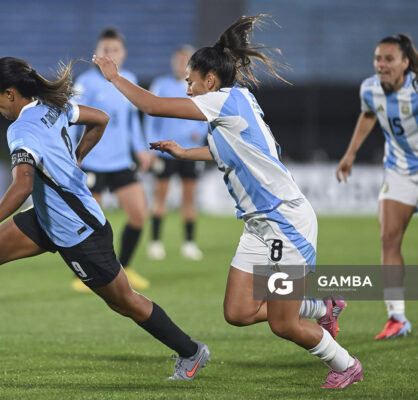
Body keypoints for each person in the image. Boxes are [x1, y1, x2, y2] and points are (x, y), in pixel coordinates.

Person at [93, 15, 362, 389]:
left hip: (285, 223)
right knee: (237, 312)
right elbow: (233, 151)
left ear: (210, 80)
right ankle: (322, 307)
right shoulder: (235, 104)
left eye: (190, 81)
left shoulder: (223, 101)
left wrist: (114, 77)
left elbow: (153, 105)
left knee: (283, 324)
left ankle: (346, 363)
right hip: (258, 225)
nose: (187, 88)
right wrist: (185, 153)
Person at [0, 57, 210, 381]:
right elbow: (100, 119)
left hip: (79, 231)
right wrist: (76, 159)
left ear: (11, 94)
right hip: (49, 218)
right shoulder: (52, 107)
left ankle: (191, 351)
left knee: (124, 302)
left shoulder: (20, 129)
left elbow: (23, 184)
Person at [336, 34, 418, 339]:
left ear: (404, 63)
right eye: (378, 59)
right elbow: (369, 114)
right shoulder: (370, 88)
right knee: (388, 238)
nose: (381, 65)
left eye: (388, 59)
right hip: (398, 169)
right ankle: (397, 317)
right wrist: (350, 154)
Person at [71, 27, 152, 292]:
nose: (110, 54)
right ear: (97, 53)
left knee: (139, 215)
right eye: (106, 49)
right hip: (92, 162)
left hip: (120, 162)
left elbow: (131, 122)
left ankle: (125, 268)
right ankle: (88, 276)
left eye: (115, 50)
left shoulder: (128, 79)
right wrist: (72, 155)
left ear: (123, 53)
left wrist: (141, 149)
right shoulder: (84, 83)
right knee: (92, 223)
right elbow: (72, 121)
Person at [144, 45, 208, 261]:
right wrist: (149, 146)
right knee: (160, 196)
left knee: (189, 198)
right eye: (178, 60)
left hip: (190, 151)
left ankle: (189, 243)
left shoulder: (198, 87)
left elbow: (207, 115)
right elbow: (150, 117)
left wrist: (198, 134)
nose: (181, 65)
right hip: (164, 150)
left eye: (185, 61)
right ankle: (155, 242)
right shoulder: (161, 85)